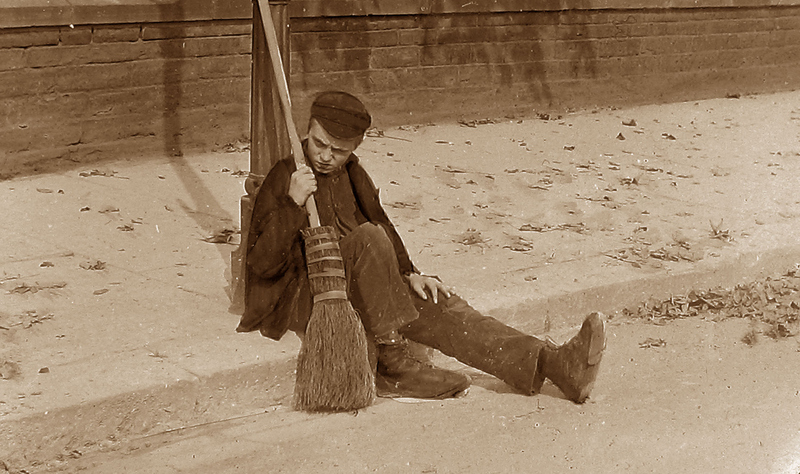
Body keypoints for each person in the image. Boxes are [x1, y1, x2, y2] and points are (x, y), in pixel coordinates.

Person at [237, 91, 606, 403]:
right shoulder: (288, 174)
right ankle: (392, 362)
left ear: (355, 148)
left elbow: (383, 226)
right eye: (319, 143)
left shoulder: (352, 174)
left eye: (339, 150)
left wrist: (410, 273)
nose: (325, 156)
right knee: (368, 238)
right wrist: (290, 203)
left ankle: (553, 364)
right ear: (307, 131)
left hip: (361, 284)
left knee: (439, 301)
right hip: (311, 295)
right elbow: (261, 266)